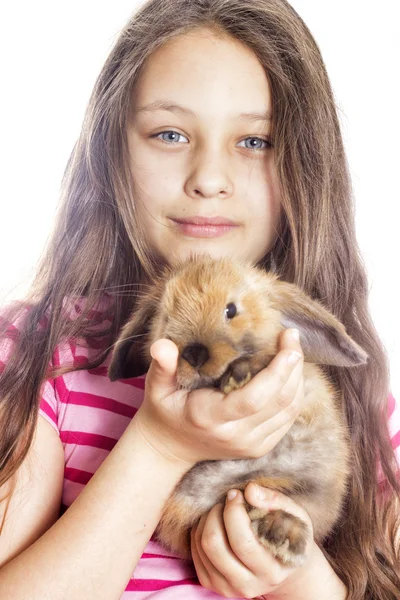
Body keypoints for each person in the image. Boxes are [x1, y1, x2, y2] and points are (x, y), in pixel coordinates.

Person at [0, 0, 399, 598]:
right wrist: (161, 445)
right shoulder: (40, 359)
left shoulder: (361, 399)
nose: (209, 178)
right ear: (112, 155)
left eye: (255, 141)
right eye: (169, 133)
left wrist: (302, 576)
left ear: (303, 167)